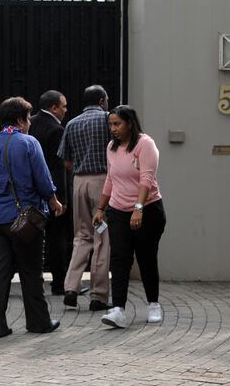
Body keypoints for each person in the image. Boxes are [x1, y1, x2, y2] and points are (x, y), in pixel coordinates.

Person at [0, 96, 64, 337]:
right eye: (28, 118)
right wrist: (53, 201)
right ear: (20, 120)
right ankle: (38, 323)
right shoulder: (28, 143)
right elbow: (43, 179)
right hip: (22, 219)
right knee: (30, 271)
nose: (30, 123)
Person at [93, 106, 166, 329]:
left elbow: (146, 178)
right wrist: (101, 208)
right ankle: (118, 310)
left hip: (148, 210)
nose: (113, 129)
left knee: (145, 257)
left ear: (129, 124)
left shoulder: (145, 145)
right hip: (118, 211)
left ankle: (153, 304)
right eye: (111, 124)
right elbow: (110, 179)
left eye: (117, 124)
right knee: (120, 258)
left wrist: (138, 208)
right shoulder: (111, 148)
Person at [57, 85, 112, 311]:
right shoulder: (109, 120)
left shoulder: (71, 123)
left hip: (79, 182)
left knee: (81, 236)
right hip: (102, 184)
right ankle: (98, 296)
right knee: (102, 237)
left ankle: (71, 286)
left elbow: (66, 160)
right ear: (101, 101)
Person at [29, 90, 72, 296]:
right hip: (49, 192)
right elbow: (58, 167)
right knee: (57, 239)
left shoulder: (30, 122)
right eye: (63, 106)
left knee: (27, 233)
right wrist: (61, 199)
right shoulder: (56, 129)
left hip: (29, 191)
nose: (65, 110)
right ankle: (59, 283)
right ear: (54, 107)